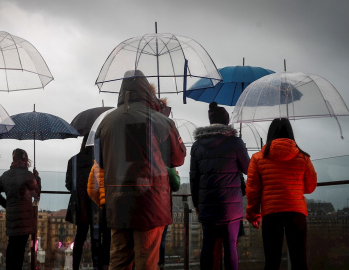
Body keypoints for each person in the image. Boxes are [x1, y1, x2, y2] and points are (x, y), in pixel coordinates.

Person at [94, 70, 186, 269]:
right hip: (150, 203)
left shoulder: (106, 122)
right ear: (146, 91)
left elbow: (100, 161)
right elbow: (177, 158)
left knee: (118, 260)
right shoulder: (161, 120)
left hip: (117, 202)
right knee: (147, 262)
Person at [245, 118, 317, 270]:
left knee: (272, 262)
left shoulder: (258, 158)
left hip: (271, 213)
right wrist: (294, 187)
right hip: (297, 213)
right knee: (300, 262)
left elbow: (253, 191)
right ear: (291, 134)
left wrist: (253, 215)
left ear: (270, 134)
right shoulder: (304, 157)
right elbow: (310, 187)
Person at [190, 102, 250, 270]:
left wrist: (197, 204)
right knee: (230, 246)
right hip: (230, 205)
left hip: (207, 203)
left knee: (207, 245)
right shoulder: (235, 143)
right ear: (226, 121)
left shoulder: (197, 146)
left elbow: (194, 177)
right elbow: (248, 169)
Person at [0, 148, 41, 270]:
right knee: (20, 250)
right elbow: (36, 194)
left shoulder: (5, 175)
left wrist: (7, 205)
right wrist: (37, 178)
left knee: (12, 246)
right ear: (24, 159)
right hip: (24, 219)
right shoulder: (29, 175)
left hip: (12, 218)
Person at [65, 135, 110, 270]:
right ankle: (99, 266)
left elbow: (69, 184)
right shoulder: (102, 160)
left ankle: (75, 267)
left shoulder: (73, 160)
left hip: (80, 205)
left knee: (80, 238)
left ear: (84, 143)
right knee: (97, 238)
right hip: (97, 205)